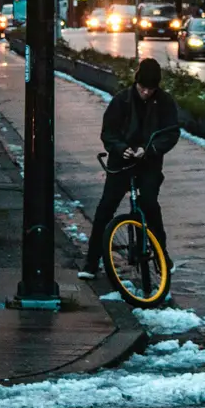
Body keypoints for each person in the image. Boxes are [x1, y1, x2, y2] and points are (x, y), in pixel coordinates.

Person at [78, 58, 181, 280]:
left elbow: (171, 132)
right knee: (105, 209)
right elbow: (108, 132)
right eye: (142, 88)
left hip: (149, 164)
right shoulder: (121, 101)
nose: (145, 93)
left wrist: (150, 149)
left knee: (150, 206)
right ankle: (91, 261)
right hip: (121, 164)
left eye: (150, 89)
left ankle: (162, 254)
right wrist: (120, 148)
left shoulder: (164, 102)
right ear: (136, 83)